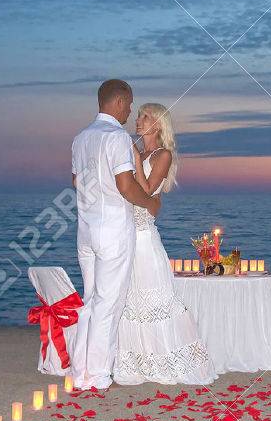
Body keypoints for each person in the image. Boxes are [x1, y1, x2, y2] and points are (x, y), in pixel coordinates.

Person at [69, 80, 162, 391]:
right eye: (130, 104)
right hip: (113, 231)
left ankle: (80, 371)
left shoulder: (81, 138)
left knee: (91, 300)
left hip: (86, 231)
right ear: (119, 102)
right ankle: (98, 375)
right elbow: (125, 185)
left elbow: (76, 181)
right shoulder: (117, 137)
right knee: (109, 303)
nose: (130, 111)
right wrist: (149, 203)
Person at [113, 103, 215, 386]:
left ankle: (167, 359)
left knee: (154, 298)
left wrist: (135, 158)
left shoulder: (162, 155)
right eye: (138, 116)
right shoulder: (137, 152)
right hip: (125, 232)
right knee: (130, 300)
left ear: (158, 124)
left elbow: (147, 191)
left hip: (145, 237)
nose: (138, 120)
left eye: (145, 117)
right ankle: (138, 361)